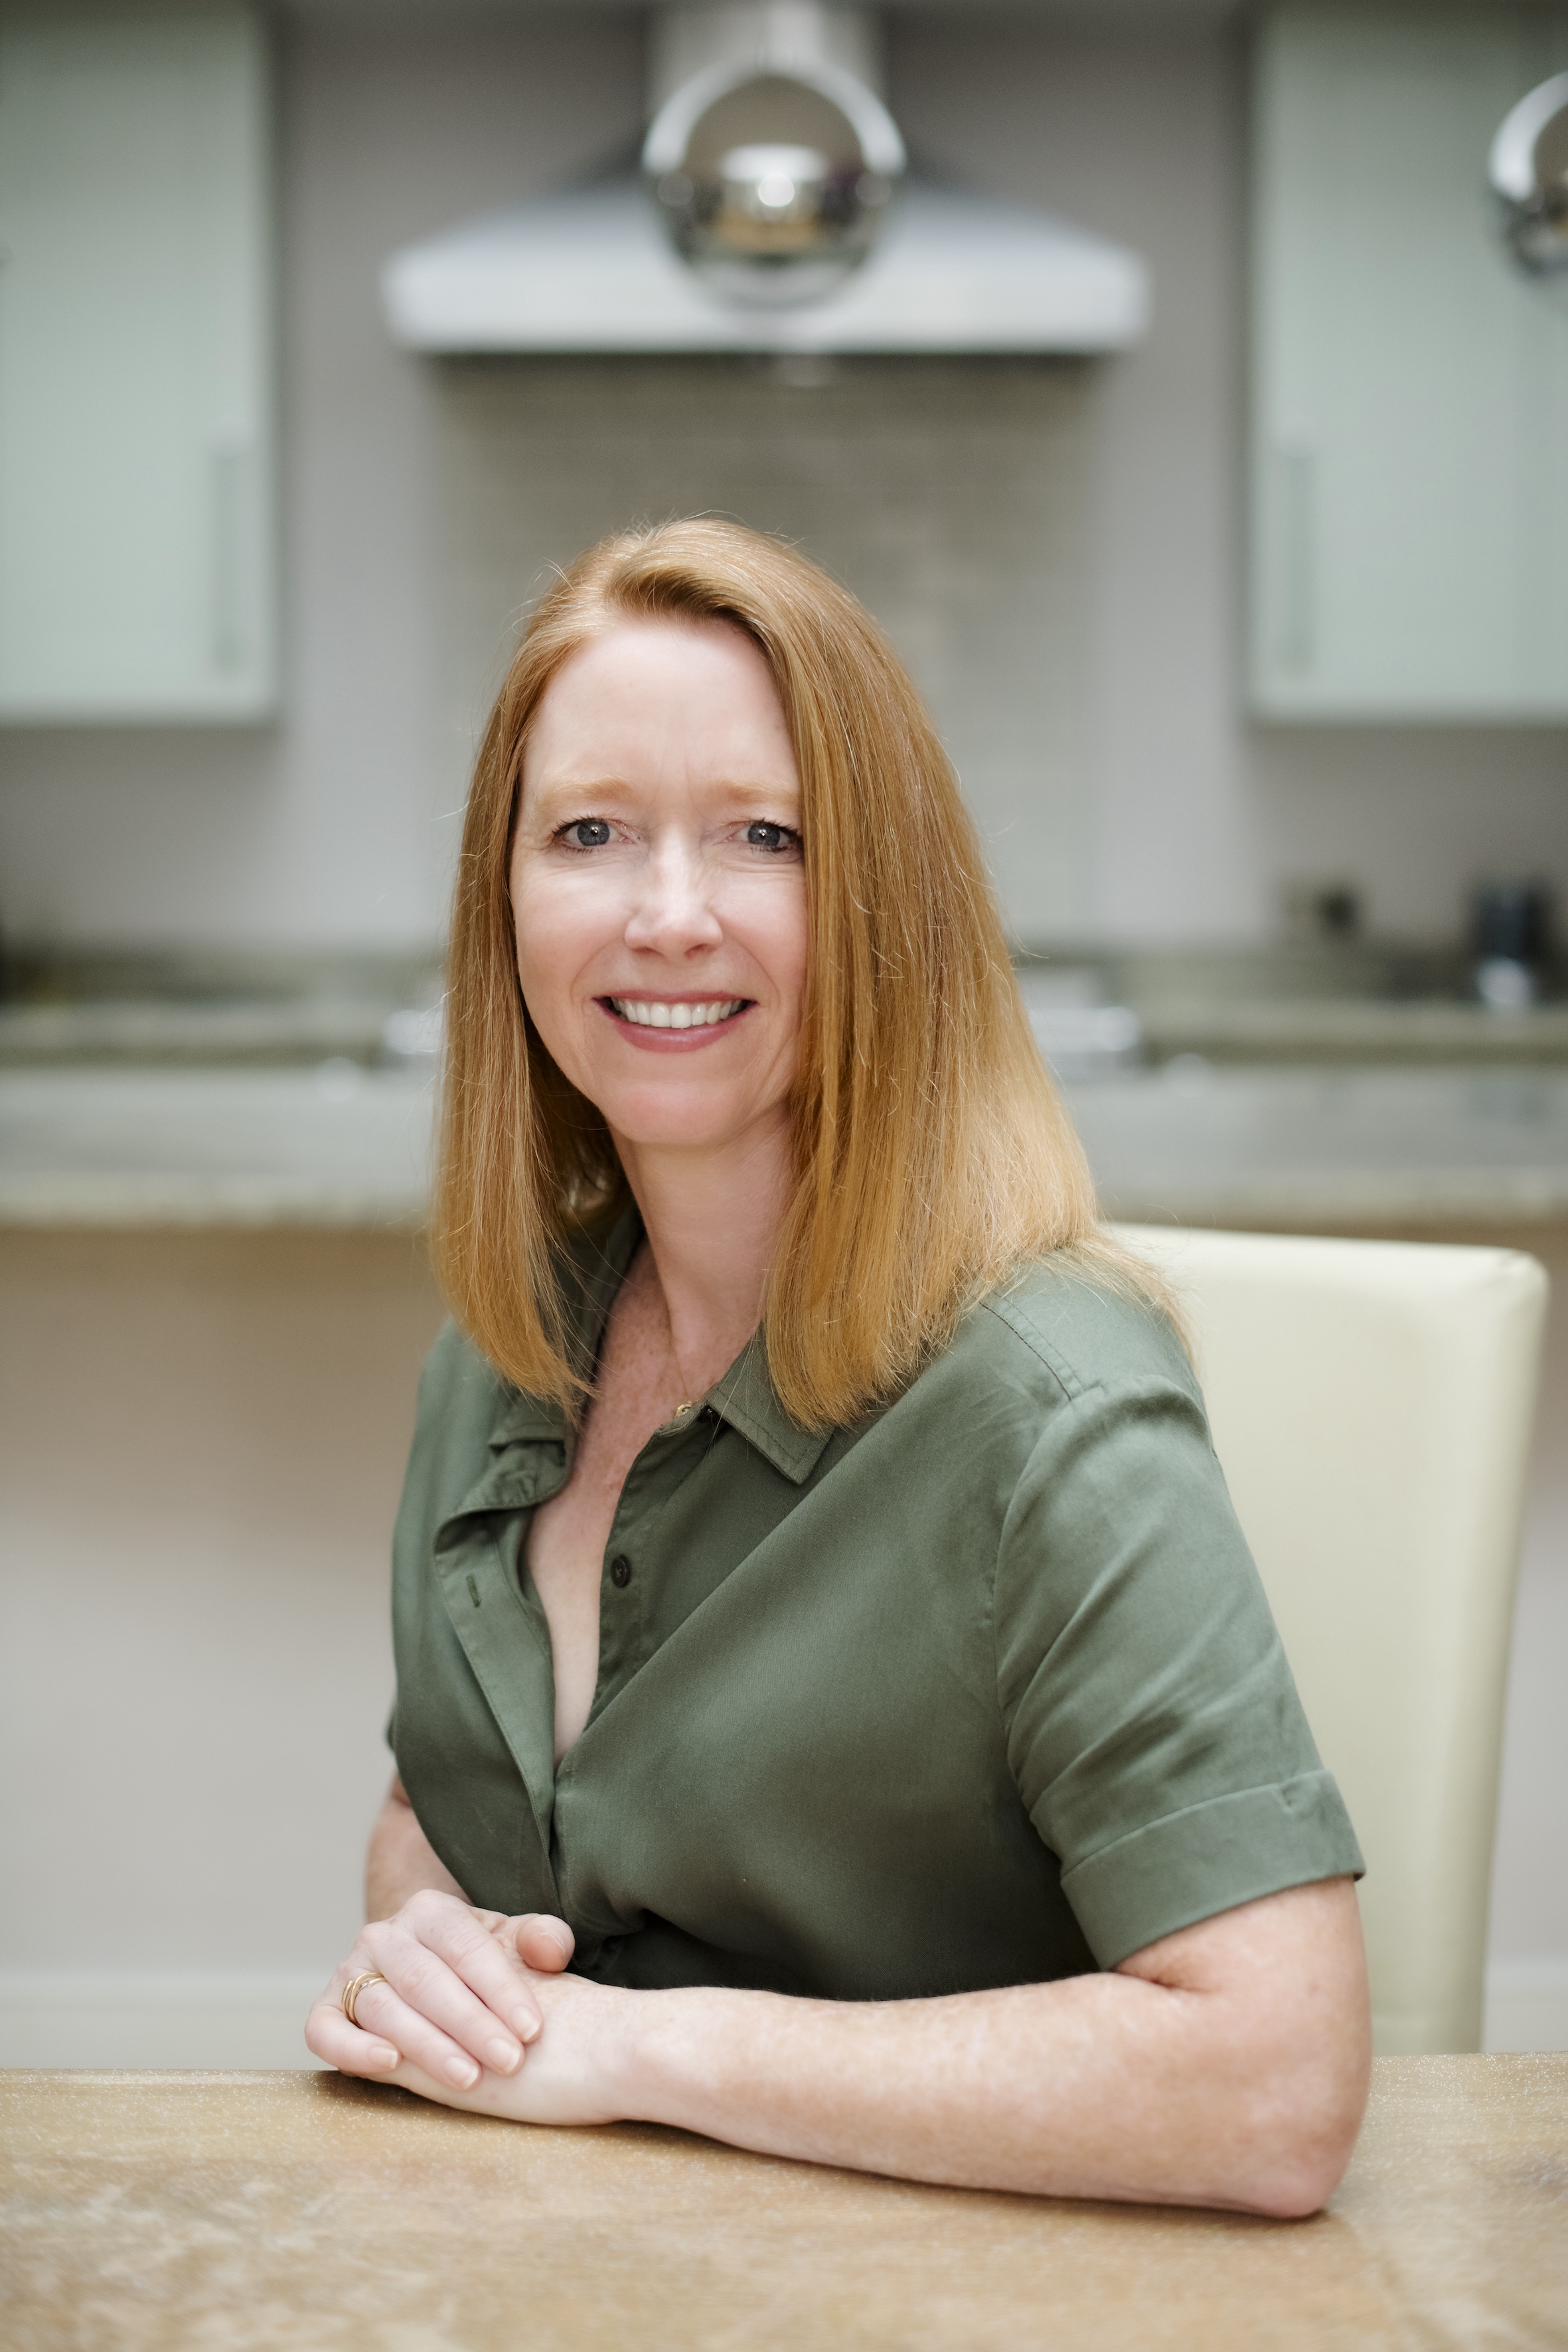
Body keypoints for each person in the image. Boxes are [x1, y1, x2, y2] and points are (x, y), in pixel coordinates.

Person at [306, 520, 1370, 2213]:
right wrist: (429, 1936)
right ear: (501, 896)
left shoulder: (1054, 1416)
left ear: (880, 900)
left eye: (763, 837)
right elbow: (452, 1796)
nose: (666, 913)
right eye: (589, 831)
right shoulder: (496, 1356)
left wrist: (635, 2052)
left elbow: (1274, 2081)